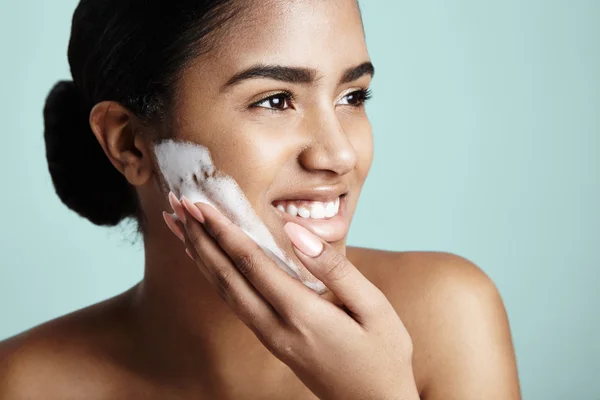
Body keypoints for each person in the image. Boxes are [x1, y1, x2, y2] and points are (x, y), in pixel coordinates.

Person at [0, 0, 521, 398]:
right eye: (275, 100)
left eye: (352, 97)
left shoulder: (448, 317)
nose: (338, 154)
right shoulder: (24, 383)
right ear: (130, 143)